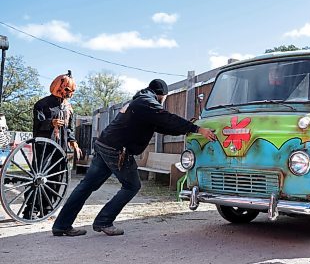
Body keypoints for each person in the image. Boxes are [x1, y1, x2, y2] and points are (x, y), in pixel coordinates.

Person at [51, 79, 216, 236]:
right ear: (162, 95)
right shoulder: (147, 102)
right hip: (117, 150)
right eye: (164, 99)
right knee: (132, 185)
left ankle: (61, 225)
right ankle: (104, 220)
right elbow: (167, 118)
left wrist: (187, 129)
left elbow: (162, 126)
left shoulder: (139, 102)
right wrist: (197, 129)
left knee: (86, 186)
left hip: (104, 145)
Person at [22, 71, 82, 219]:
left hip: (60, 148)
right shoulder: (42, 104)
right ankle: (31, 210)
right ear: (58, 86)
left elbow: (70, 129)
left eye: (72, 90)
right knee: (39, 178)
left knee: (57, 178)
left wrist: (73, 142)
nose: (70, 93)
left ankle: (48, 208)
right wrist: (51, 123)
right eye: (67, 89)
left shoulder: (68, 108)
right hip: (44, 148)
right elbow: (37, 124)